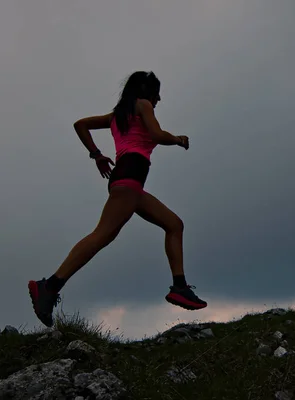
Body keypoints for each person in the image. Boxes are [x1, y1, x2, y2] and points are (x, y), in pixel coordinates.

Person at [28, 71, 207, 328]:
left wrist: (97, 155)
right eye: (157, 93)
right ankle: (48, 286)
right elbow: (156, 135)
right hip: (129, 181)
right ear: (147, 91)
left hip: (130, 184)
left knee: (174, 224)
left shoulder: (117, 117)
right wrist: (178, 139)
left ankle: (180, 287)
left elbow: (80, 124)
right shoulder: (143, 106)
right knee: (101, 235)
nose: (158, 99)